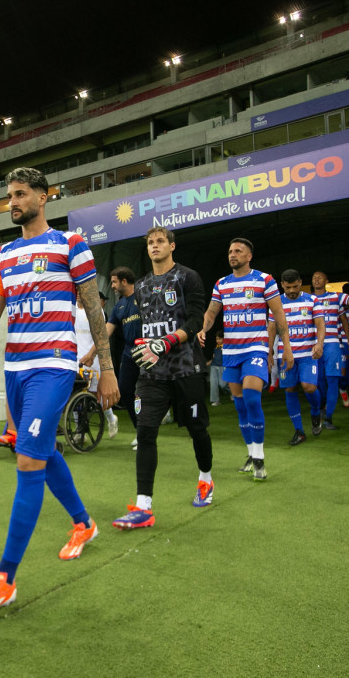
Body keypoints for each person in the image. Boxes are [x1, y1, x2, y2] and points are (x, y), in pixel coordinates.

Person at [0, 166, 118, 619]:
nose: (12, 203)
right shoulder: (6, 253)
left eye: (20, 194)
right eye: (9, 196)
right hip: (14, 369)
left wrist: (108, 368)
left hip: (53, 365)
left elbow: (94, 310)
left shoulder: (71, 244)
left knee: (29, 460)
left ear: (42, 196)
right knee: (40, 451)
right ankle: (83, 523)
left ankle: (5, 577)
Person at [113, 226, 218, 528]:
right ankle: (143, 507)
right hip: (152, 373)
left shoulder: (188, 277)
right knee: (146, 432)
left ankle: (206, 479)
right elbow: (147, 323)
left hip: (186, 369)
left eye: (160, 241)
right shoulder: (142, 285)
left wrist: (168, 341)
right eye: (150, 242)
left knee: (197, 429)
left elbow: (196, 320)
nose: (155, 246)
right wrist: (144, 346)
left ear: (172, 246)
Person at [199, 238, 292, 480]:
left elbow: (279, 314)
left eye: (238, 251)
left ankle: (259, 458)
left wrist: (286, 347)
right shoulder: (221, 283)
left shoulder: (264, 280)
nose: (233, 254)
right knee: (240, 405)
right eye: (230, 251)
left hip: (256, 349)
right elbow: (211, 312)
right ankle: (251, 454)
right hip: (231, 352)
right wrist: (203, 329)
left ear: (249, 256)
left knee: (251, 397)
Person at [267, 270, 325, 445]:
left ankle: (316, 412)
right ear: (282, 285)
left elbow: (320, 325)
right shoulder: (276, 303)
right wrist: (269, 351)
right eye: (288, 287)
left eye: (294, 286)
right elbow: (272, 328)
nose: (291, 290)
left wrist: (319, 344)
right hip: (285, 355)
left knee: (309, 387)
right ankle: (299, 431)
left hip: (308, 354)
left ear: (300, 282)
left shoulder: (312, 300)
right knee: (290, 389)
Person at [311, 269, 349, 429]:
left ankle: (328, 418)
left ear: (326, 281)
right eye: (314, 277)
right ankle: (322, 406)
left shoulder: (336, 297)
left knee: (332, 380)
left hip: (332, 344)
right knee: (317, 381)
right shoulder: (308, 299)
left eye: (320, 277)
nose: (316, 279)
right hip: (313, 345)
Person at [75, 297, 120, 439]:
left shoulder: (95, 310)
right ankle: (79, 430)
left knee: (96, 394)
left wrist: (92, 354)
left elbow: (101, 337)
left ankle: (111, 418)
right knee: (74, 394)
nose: (78, 294)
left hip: (92, 359)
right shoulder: (70, 308)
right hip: (75, 359)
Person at [107, 267, 142, 445]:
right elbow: (107, 331)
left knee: (149, 390)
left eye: (114, 282)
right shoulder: (119, 306)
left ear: (124, 281)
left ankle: (147, 430)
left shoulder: (143, 297)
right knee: (125, 389)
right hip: (129, 352)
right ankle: (140, 430)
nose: (112, 286)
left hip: (148, 350)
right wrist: (91, 352)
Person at [207, 334, 227, 407]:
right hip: (214, 366)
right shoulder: (216, 348)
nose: (218, 340)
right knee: (213, 383)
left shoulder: (226, 347)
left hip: (222, 366)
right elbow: (214, 358)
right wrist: (208, 363)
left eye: (219, 339)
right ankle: (216, 400)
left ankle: (233, 392)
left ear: (223, 339)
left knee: (223, 384)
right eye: (217, 339)